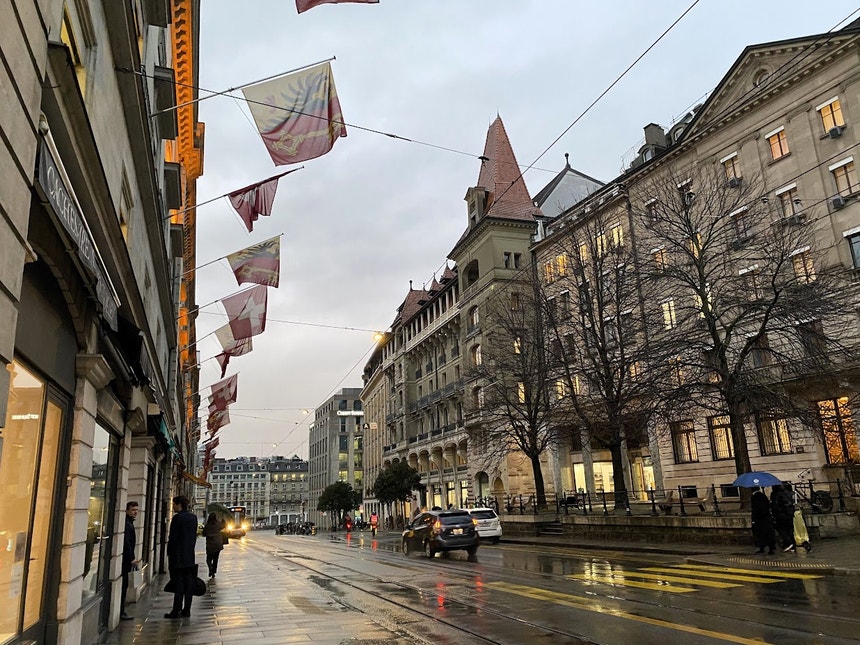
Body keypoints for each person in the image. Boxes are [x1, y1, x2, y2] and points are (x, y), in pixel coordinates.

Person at [165, 495, 198, 618]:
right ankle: (187, 610)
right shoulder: (193, 518)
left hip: (178, 557)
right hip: (189, 556)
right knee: (188, 585)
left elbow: (173, 538)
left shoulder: (177, 518)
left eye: (174, 504)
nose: (173, 506)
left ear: (179, 504)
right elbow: (193, 537)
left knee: (178, 584)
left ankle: (176, 610)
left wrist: (169, 553)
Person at [120, 501, 139, 620]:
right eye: (133, 510)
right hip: (125, 560)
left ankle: (121, 610)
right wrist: (131, 558)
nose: (135, 512)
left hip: (126, 559)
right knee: (123, 585)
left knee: (124, 585)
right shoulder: (127, 524)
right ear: (127, 510)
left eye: (136, 510)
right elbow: (127, 543)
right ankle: (121, 611)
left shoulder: (129, 522)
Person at [770, 483, 796, 552]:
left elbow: (775, 506)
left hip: (781, 515)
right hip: (789, 514)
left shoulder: (775, 494)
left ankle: (789, 542)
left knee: (781, 529)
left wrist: (774, 512)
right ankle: (791, 544)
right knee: (790, 530)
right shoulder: (787, 492)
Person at [750, 491, 775, 555]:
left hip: (759, 520)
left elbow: (754, 510)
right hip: (767, 519)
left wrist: (753, 520)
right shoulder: (763, 496)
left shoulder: (754, 497)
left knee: (760, 535)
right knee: (768, 534)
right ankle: (771, 548)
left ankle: (762, 548)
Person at [202, 513, 226, 577]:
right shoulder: (218, 524)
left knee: (208, 559)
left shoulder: (207, 526)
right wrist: (223, 519)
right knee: (216, 559)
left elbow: (204, 534)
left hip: (210, 545)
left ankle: (210, 568)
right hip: (218, 545)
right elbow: (223, 525)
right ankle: (213, 572)